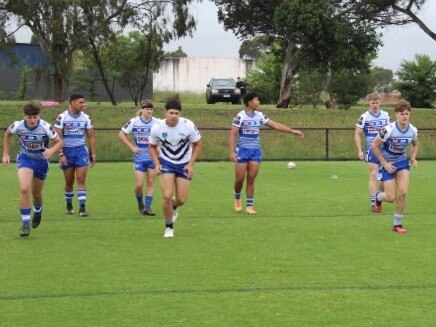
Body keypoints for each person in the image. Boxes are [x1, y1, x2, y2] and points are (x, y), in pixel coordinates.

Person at [229, 92, 304, 214]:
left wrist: (292, 131)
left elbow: (274, 125)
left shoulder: (259, 115)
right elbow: (233, 133)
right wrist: (232, 152)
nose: (259, 103)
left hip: (255, 152)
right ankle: (237, 197)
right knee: (240, 179)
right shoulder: (240, 116)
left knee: (251, 179)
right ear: (250, 102)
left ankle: (249, 206)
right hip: (242, 151)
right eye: (257, 100)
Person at [2, 103, 62, 237]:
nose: (32, 120)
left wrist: (51, 151)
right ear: (25, 116)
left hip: (41, 161)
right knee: (24, 189)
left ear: (38, 116)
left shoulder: (45, 127)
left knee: (37, 194)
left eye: (35, 117)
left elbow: (59, 141)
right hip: (25, 158)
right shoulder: (18, 125)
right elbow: (7, 134)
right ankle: (25, 224)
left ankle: (38, 210)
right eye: (29, 117)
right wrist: (6, 153)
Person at [149, 99, 202, 238]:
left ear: (180, 113)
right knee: (167, 195)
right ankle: (168, 227)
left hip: (184, 164)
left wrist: (190, 164)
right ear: (165, 112)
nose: (173, 116)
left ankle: (174, 206)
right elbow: (152, 147)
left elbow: (198, 145)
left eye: (176, 113)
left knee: (181, 199)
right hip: (166, 162)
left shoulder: (188, 125)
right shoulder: (157, 127)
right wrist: (156, 164)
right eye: (171, 113)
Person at [371, 100, 418, 234]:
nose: (405, 116)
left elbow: (415, 144)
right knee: (391, 198)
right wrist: (385, 163)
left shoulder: (413, 130)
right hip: (388, 164)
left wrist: (413, 157)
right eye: (402, 114)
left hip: (402, 162)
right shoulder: (388, 130)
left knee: (403, 192)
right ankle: (379, 197)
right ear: (397, 114)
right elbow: (374, 145)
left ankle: (397, 224)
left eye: (407, 114)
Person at [54, 93, 96, 217]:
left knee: (81, 179)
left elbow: (91, 137)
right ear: (72, 102)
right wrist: (61, 154)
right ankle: (69, 205)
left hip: (80, 151)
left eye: (84, 102)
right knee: (69, 181)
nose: (83, 105)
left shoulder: (86, 118)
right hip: (66, 151)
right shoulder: (62, 117)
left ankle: (82, 207)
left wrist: (93, 153)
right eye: (80, 102)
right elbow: (57, 137)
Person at [119, 99, 160, 216]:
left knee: (151, 182)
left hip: (152, 157)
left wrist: (160, 147)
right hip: (139, 157)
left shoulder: (158, 122)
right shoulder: (133, 122)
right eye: (147, 109)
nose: (149, 111)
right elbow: (121, 134)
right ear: (141, 109)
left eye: (151, 109)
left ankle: (147, 207)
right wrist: (132, 147)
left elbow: (165, 134)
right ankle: (140, 203)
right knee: (139, 185)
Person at [354, 92, 390, 212]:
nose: (375, 104)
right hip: (371, 149)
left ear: (380, 102)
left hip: (385, 150)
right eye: (373, 102)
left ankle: (379, 198)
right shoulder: (364, 117)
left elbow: (390, 133)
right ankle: (373, 203)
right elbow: (357, 134)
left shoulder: (386, 115)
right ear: (368, 103)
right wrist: (359, 150)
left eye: (377, 102)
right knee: (373, 174)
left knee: (384, 178)